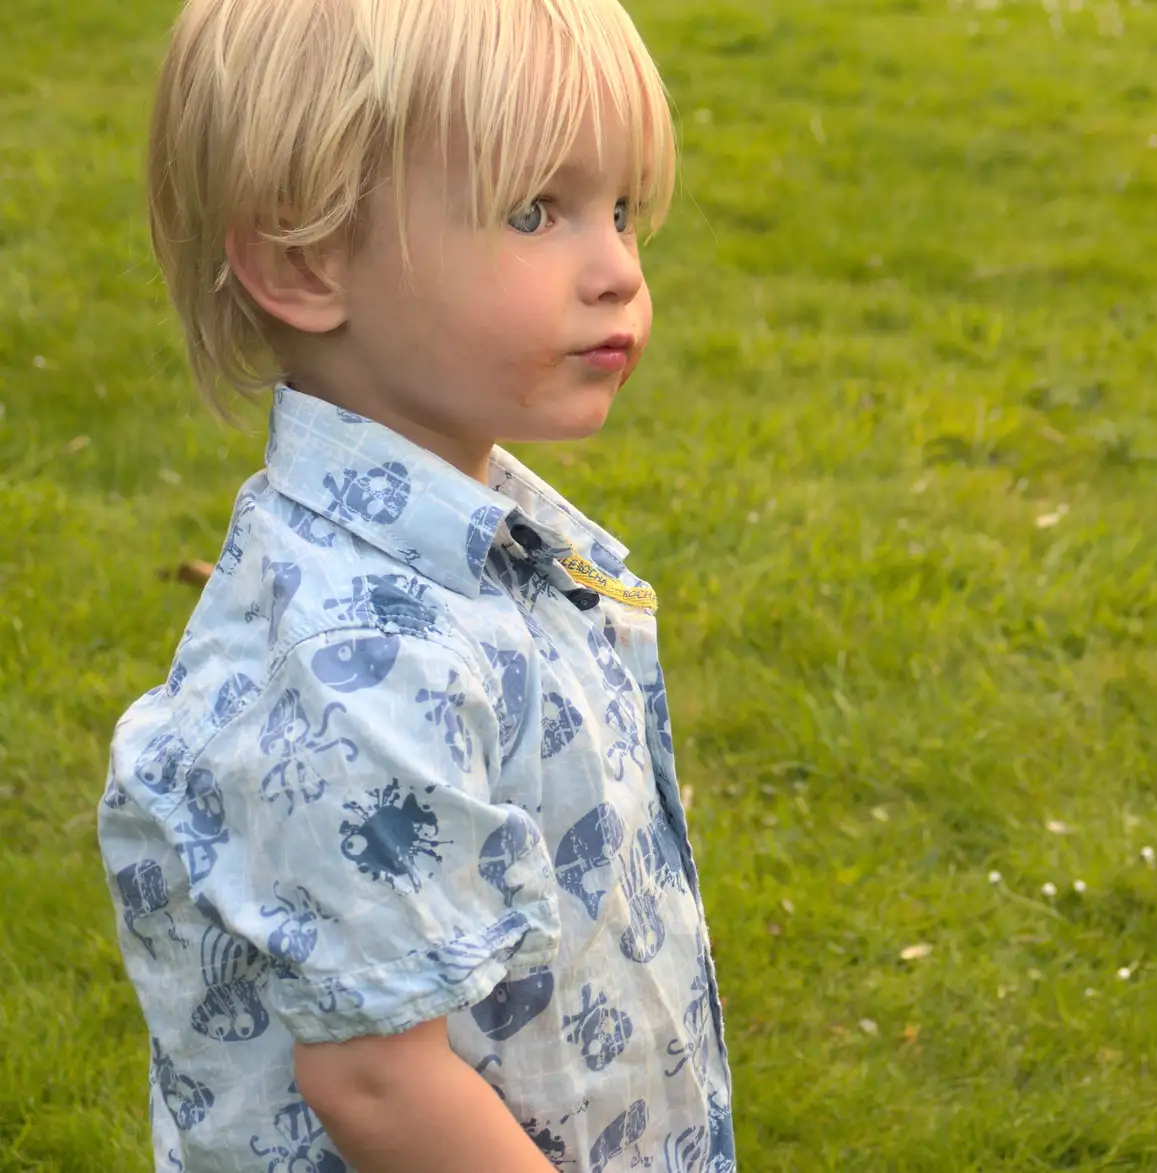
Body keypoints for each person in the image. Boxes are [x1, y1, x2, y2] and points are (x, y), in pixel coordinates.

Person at [96, 2, 735, 1170]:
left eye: (624, 210)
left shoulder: (490, 547)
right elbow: (382, 1084)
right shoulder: (356, 660)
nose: (617, 271)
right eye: (534, 212)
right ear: (305, 260)